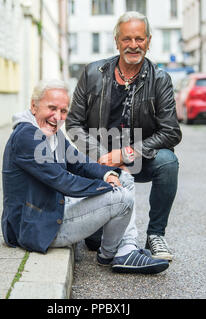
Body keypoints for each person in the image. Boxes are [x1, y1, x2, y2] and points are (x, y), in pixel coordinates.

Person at [1, 79, 169, 274]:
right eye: (52, 108)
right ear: (33, 105)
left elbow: (78, 162)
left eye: (63, 111)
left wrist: (107, 174)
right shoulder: (26, 136)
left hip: (52, 208)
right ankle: (110, 254)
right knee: (122, 198)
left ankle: (126, 248)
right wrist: (108, 187)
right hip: (36, 227)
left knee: (124, 177)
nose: (57, 117)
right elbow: (63, 180)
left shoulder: (49, 131)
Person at [65, 12, 182, 260]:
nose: (133, 45)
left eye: (139, 39)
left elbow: (171, 131)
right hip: (101, 162)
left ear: (148, 41)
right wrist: (102, 156)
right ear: (116, 41)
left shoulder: (160, 80)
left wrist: (128, 153)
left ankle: (156, 235)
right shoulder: (92, 73)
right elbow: (74, 123)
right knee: (94, 243)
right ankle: (108, 233)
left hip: (139, 159)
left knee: (168, 162)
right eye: (127, 38)